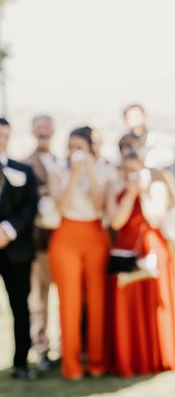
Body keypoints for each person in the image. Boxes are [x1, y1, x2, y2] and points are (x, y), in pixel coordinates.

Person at [107, 145, 175, 377]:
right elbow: (116, 222)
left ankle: (162, 353)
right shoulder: (115, 188)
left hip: (153, 249)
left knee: (157, 303)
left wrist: (144, 192)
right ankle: (134, 356)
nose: (130, 173)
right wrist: (130, 194)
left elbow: (155, 218)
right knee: (130, 305)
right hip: (126, 251)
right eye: (126, 169)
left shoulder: (156, 186)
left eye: (134, 169)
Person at [122, 103, 175, 337]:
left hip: (166, 218)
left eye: (138, 115)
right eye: (130, 117)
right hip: (140, 224)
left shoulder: (165, 145)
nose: (135, 121)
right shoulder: (125, 146)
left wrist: (168, 205)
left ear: (145, 116)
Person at [49, 126, 110, 380]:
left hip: (95, 236)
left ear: (89, 149)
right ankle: (71, 365)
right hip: (66, 237)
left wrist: (90, 173)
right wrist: (74, 176)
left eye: (80, 148)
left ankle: (96, 362)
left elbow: (99, 205)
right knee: (69, 303)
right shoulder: (57, 171)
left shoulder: (104, 170)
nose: (74, 152)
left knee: (97, 303)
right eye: (71, 147)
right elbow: (60, 205)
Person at [0, 118, 38, 380]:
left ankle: (21, 363)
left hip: (16, 251)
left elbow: (30, 206)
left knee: (20, 307)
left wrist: (7, 230)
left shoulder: (22, 170)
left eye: (4, 135)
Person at [23, 115, 58, 372]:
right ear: (33, 132)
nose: (44, 132)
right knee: (39, 301)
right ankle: (42, 349)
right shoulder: (26, 164)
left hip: (64, 243)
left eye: (47, 128)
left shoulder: (61, 161)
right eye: (39, 128)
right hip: (39, 246)